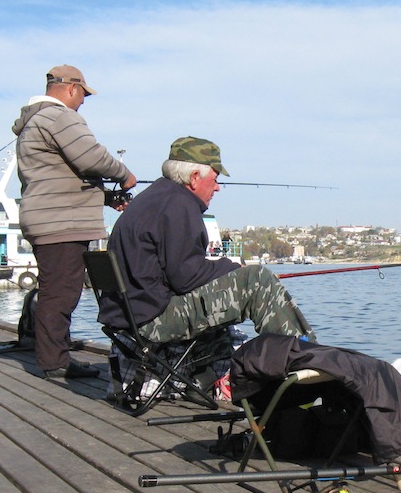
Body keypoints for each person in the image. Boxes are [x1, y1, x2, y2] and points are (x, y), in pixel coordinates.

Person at [97, 136, 313, 345]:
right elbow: (186, 278)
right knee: (257, 280)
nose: (217, 187)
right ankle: (306, 359)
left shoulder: (152, 198)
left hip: (129, 315)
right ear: (194, 178)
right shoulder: (178, 206)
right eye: (215, 179)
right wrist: (233, 267)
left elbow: (177, 272)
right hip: (154, 320)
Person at [12, 64, 136, 379]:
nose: (83, 102)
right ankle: (55, 362)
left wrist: (104, 197)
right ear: (71, 88)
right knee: (61, 292)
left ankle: (53, 354)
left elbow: (61, 175)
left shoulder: (36, 121)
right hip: (61, 223)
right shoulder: (59, 117)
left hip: (48, 218)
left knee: (56, 288)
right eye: (83, 95)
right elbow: (90, 156)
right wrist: (124, 174)